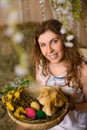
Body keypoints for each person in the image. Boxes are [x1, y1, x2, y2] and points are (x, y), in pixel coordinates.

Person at [15, 19, 87, 130]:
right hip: (48, 125)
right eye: (43, 45)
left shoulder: (82, 70)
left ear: (64, 40)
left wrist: (71, 106)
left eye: (54, 41)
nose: (49, 50)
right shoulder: (41, 64)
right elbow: (40, 96)